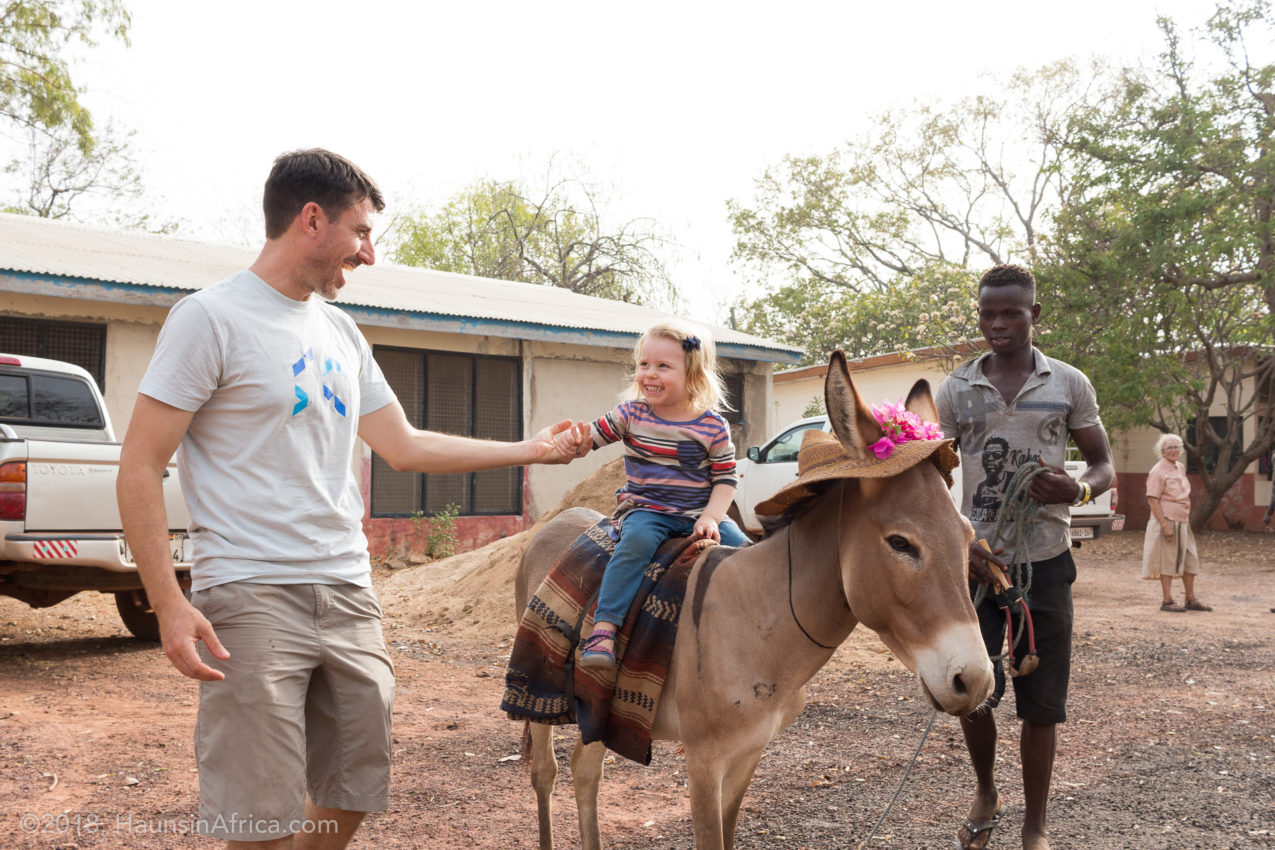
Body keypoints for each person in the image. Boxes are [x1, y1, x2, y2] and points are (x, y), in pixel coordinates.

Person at [117, 148, 582, 849]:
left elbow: (404, 445)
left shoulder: (338, 329)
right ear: (311, 219)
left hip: (346, 589)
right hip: (251, 589)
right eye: (360, 232)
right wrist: (169, 602)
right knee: (260, 816)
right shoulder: (209, 318)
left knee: (355, 787)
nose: (368, 253)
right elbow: (140, 464)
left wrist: (530, 450)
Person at [936, 263, 1115, 850]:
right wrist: (958, 539)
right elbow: (934, 477)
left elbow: (1103, 465)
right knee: (972, 690)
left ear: (1033, 314)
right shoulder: (956, 388)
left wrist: (1077, 490)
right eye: (987, 314)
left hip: (1046, 561)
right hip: (977, 564)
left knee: (1042, 704)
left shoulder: (1068, 383)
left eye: (1011, 313)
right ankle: (986, 791)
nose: (998, 324)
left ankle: (1035, 824)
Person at [554, 321, 749, 669]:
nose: (650, 374)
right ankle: (604, 629)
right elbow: (591, 438)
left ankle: (753, 625)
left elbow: (725, 479)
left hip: (698, 513)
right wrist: (574, 440)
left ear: (693, 375)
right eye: (644, 364)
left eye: (663, 366)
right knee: (636, 544)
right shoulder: (631, 414)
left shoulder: (712, 426)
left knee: (744, 550)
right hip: (648, 510)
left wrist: (711, 517)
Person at [1142, 433, 1211, 612]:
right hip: (1166, 520)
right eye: (1169, 448)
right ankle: (1167, 601)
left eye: (1176, 447)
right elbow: (1152, 500)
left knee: (1190, 558)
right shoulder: (1158, 470)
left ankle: (1190, 598)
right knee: (1167, 559)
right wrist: (1165, 526)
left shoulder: (1179, 467)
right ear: (1162, 451)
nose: (1173, 450)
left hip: (1182, 520)